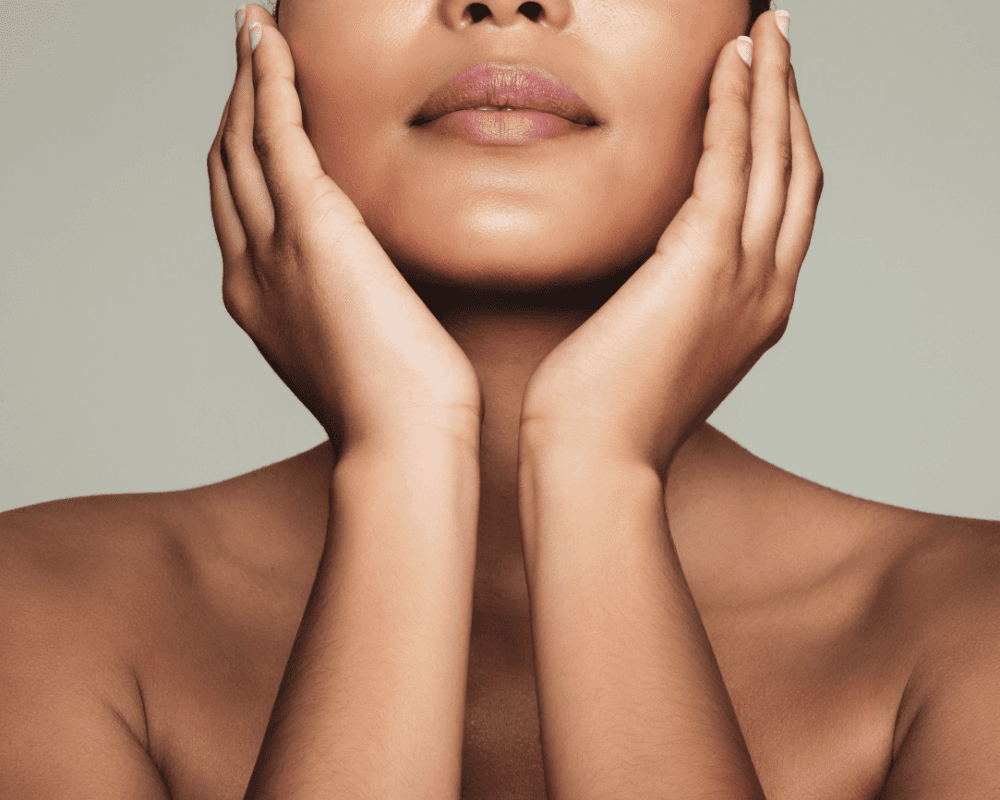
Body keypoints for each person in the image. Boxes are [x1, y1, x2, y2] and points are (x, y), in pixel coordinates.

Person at [1, 0, 998, 797]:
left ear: (757, 35)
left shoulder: (969, 628)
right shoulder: (38, 613)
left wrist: (597, 465)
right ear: (274, 27)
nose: (505, 3)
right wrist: (401, 457)